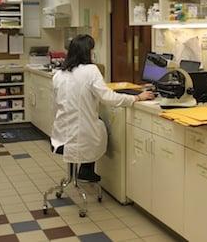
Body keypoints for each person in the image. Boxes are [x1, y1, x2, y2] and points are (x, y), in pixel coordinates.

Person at [51, 34, 154, 182]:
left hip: (60, 136)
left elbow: (55, 106)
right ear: (87, 52)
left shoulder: (58, 74)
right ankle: (86, 170)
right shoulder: (91, 70)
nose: (93, 53)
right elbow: (108, 98)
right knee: (99, 126)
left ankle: (86, 169)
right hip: (81, 136)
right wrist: (136, 98)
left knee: (94, 122)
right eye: (92, 50)